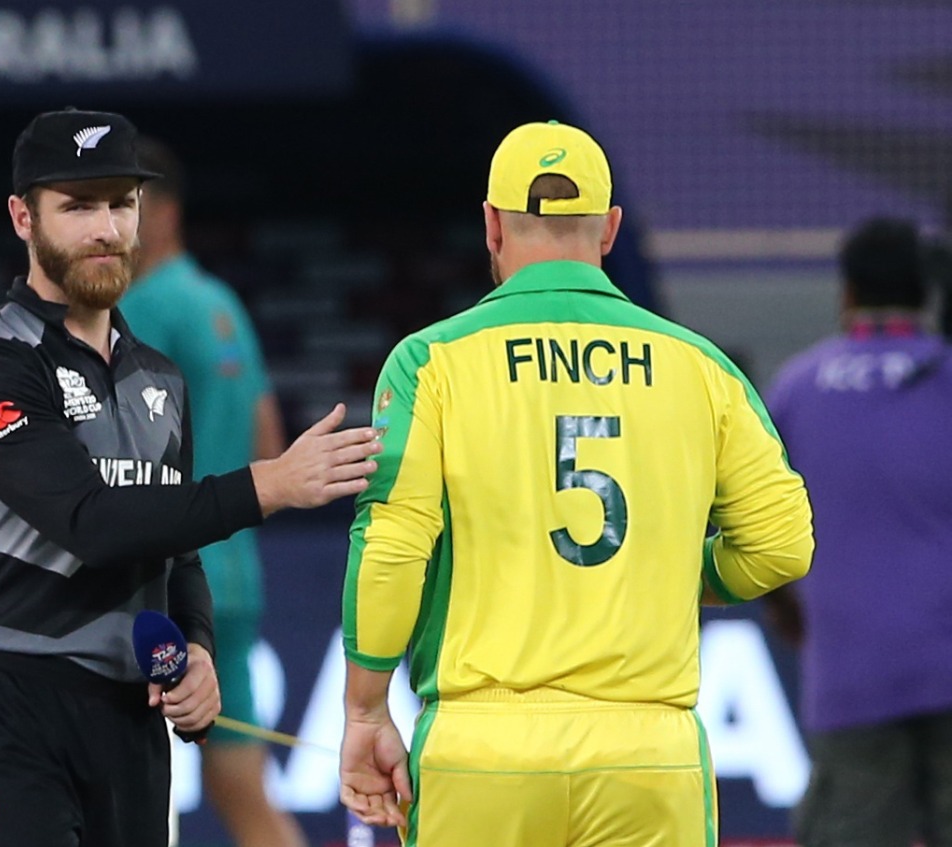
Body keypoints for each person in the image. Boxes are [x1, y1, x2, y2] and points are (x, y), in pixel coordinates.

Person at [337, 120, 814, 846]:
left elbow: (392, 544)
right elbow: (783, 546)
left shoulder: (430, 361)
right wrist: (677, 571)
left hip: (483, 748)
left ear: (491, 225)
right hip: (649, 754)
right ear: (611, 228)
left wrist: (366, 711)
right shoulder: (702, 366)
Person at [0, 107, 381, 847]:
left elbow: (173, 550)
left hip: (126, 721)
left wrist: (196, 645)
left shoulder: (159, 375)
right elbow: (91, 523)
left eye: (119, 204)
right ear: (22, 217)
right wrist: (271, 483)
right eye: (77, 206)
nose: (104, 228)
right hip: (4, 706)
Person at [118, 138, 308, 847]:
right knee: (247, 802)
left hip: (159, 588)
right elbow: (267, 438)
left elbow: (121, 453)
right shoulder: (220, 302)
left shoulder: (141, 310)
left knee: (118, 794)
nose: (108, 228)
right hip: (233, 578)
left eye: (120, 206)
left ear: (160, 213)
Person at [763, 218, 952, 847]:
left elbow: (751, 524)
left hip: (851, 677)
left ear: (845, 293)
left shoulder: (795, 388)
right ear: (926, 292)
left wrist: (789, 614)